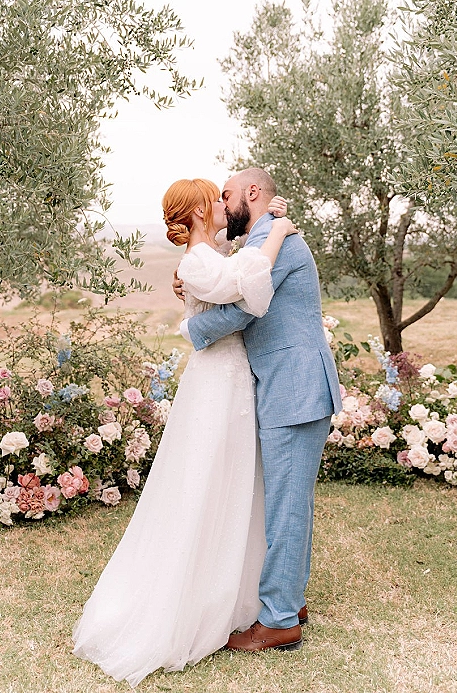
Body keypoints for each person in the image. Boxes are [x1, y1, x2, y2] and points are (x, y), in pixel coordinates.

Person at [72, 178, 296, 686]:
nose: (223, 204)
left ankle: (233, 595)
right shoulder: (198, 263)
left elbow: (240, 255)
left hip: (234, 382)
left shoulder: (208, 255)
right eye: (215, 200)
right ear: (196, 212)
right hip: (216, 387)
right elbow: (254, 290)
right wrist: (279, 230)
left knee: (236, 486)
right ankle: (187, 603)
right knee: (204, 484)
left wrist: (271, 215)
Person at [178, 167, 343, 653]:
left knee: (287, 507)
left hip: (294, 389)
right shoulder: (265, 237)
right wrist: (193, 287)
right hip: (289, 387)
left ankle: (278, 621)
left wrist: (194, 326)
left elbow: (246, 307)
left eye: (225, 194)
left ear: (252, 193)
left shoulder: (279, 241)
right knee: (289, 503)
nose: (220, 203)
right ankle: (289, 600)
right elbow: (234, 283)